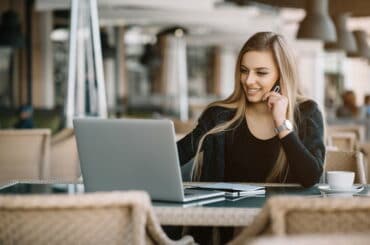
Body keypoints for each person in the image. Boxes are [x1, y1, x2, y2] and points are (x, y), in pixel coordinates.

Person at [175, 31, 326, 244]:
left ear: (281, 76)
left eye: (261, 73)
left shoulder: (307, 113)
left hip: (284, 233)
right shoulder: (220, 115)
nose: (249, 80)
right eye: (244, 71)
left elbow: (310, 176)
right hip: (227, 231)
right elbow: (175, 157)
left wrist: (281, 123)